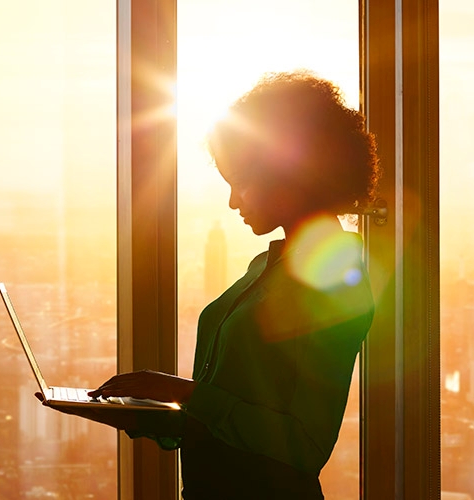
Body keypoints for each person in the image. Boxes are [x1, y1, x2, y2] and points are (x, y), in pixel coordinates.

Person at [47, 70, 380, 499]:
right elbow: (232, 406)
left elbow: (304, 444)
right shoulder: (267, 266)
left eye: (240, 183)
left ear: (290, 173)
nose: (233, 201)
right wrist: (153, 414)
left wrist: (182, 393)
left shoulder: (335, 281)